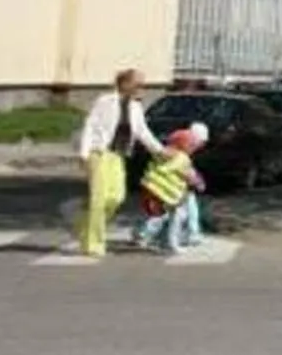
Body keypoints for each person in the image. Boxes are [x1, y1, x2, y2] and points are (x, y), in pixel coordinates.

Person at [74, 69, 168, 258]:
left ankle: (85, 227)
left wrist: (160, 150)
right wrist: (83, 154)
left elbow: (143, 132)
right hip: (99, 153)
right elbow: (90, 125)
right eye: (138, 84)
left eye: (143, 84)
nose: (143, 88)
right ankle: (94, 244)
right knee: (99, 200)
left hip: (118, 156)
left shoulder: (136, 107)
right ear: (125, 84)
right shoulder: (104, 101)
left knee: (116, 197)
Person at [133, 126, 208, 254]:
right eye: (191, 145)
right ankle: (169, 243)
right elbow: (188, 174)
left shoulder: (164, 154)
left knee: (160, 214)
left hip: (155, 189)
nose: (194, 148)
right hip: (169, 193)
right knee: (178, 215)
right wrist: (199, 183)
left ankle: (146, 235)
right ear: (185, 145)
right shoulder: (182, 158)